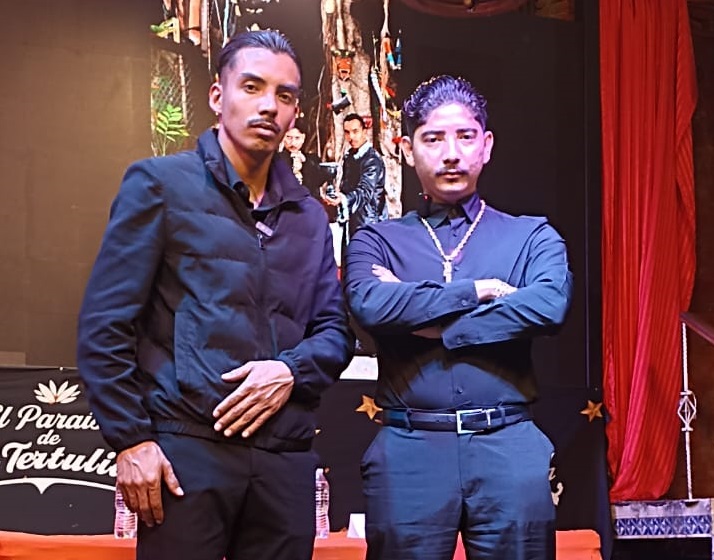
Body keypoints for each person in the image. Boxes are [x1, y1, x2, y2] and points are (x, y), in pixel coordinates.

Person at [77, 30, 354, 560]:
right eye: (252, 86)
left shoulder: (309, 216)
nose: (269, 105)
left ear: (296, 112)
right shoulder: (160, 185)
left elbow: (335, 333)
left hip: (285, 458)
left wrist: (290, 370)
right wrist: (131, 440)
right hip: (186, 453)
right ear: (216, 95)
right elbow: (104, 325)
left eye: (285, 95)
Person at [344, 75, 573, 560]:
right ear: (407, 150)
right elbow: (370, 304)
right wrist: (478, 291)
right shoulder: (377, 240)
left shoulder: (531, 236)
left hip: (508, 443)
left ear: (486, 146)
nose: (451, 154)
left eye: (465, 137)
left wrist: (434, 325)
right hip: (410, 448)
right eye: (433, 139)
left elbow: (548, 305)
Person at [323, 113, 387, 240]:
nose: (351, 137)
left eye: (355, 131)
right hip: (352, 221)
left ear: (364, 131)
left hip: (370, 223)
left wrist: (344, 199)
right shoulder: (350, 156)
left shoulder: (372, 160)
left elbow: (365, 191)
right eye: (347, 132)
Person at [277, 121, 330, 201]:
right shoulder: (276, 159)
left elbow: (318, 182)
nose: (293, 142)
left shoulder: (313, 160)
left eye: (297, 138)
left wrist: (306, 163)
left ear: (303, 138)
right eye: (289, 137)